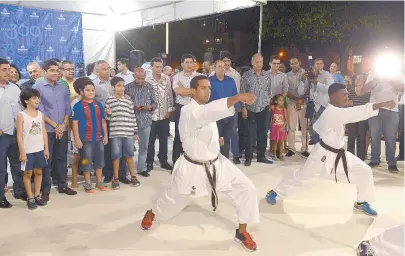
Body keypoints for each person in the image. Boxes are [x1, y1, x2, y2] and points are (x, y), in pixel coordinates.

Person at [140, 75, 260, 252]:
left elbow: (207, 122)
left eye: (209, 88)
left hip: (217, 163)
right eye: (203, 88)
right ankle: (153, 212)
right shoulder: (188, 110)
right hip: (192, 167)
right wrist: (236, 98)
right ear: (193, 91)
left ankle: (242, 231)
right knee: (174, 199)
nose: (208, 91)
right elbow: (206, 114)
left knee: (246, 188)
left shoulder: (203, 108)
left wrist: (214, 139)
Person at [266, 83, 396, 216]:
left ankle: (362, 201)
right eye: (344, 94)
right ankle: (275, 192)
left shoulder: (336, 110)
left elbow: (348, 113)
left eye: (347, 94)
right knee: (301, 177)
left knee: (364, 171)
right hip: (321, 155)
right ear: (333, 96)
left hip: (338, 153)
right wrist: (380, 104)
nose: (347, 96)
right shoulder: (332, 112)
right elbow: (354, 113)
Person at [34, 59, 77, 201]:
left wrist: (63, 124)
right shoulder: (38, 86)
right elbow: (40, 110)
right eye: (51, 70)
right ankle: (45, 188)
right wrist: (55, 125)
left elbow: (67, 108)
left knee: (61, 157)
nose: (55, 73)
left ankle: (62, 185)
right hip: (47, 129)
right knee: (48, 158)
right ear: (44, 72)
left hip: (62, 128)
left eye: (57, 70)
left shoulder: (63, 86)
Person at [72, 77, 109, 193]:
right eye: (87, 90)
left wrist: (106, 135)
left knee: (99, 161)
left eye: (92, 90)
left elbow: (103, 121)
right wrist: (77, 139)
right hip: (85, 140)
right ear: (81, 92)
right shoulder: (77, 106)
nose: (91, 92)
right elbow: (74, 124)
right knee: (85, 161)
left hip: (99, 138)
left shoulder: (98, 104)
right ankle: (87, 183)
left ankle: (99, 182)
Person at [105, 76, 141, 189]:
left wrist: (135, 132)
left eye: (123, 86)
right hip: (115, 134)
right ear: (113, 87)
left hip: (128, 133)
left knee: (129, 155)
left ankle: (133, 176)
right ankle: (115, 178)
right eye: (118, 86)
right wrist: (109, 114)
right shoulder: (109, 100)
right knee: (116, 157)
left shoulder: (128, 100)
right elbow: (107, 118)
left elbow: (132, 116)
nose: (122, 88)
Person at [16, 88, 49, 209]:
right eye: (34, 98)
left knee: (39, 171)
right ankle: (30, 196)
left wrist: (46, 149)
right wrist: (22, 152)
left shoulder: (40, 114)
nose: (37, 100)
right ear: (26, 100)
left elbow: (43, 132)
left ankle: (37, 195)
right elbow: (19, 135)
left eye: (38, 97)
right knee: (28, 173)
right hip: (27, 150)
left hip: (39, 149)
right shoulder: (21, 115)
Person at [0, 58, 26, 208]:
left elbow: (21, 109)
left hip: (16, 133)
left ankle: (19, 190)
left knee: (17, 164)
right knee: (1, 167)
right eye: (4, 69)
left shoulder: (15, 88)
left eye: (9, 69)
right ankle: (1, 196)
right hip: (2, 134)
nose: (8, 72)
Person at [240, 53, 273, 166]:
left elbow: (269, 92)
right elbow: (242, 93)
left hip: (263, 108)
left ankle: (261, 156)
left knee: (263, 133)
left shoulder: (267, 76)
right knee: (249, 133)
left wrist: (267, 104)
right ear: (252, 62)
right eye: (256, 62)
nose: (259, 64)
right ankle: (248, 157)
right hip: (250, 108)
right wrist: (243, 107)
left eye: (261, 62)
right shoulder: (246, 75)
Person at [125, 68, 157, 177]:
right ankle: (126, 169)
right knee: (128, 147)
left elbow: (154, 103)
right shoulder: (127, 87)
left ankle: (141, 168)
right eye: (138, 78)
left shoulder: (149, 87)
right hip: (130, 122)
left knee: (144, 146)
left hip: (145, 120)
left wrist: (149, 107)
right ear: (134, 76)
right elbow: (123, 101)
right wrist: (133, 107)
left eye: (143, 78)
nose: (141, 80)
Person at [146, 58, 174, 172]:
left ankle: (163, 160)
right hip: (151, 115)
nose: (159, 69)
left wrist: (169, 110)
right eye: (156, 66)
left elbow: (169, 95)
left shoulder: (166, 78)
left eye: (160, 66)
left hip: (164, 115)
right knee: (150, 140)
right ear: (151, 67)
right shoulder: (147, 80)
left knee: (164, 139)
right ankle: (149, 162)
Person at [285, 57, 310, 157]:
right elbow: (286, 90)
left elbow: (309, 89)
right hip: (292, 103)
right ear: (290, 65)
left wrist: (302, 100)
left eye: (296, 63)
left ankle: (304, 148)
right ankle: (291, 148)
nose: (294, 65)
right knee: (291, 127)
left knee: (304, 128)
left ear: (299, 63)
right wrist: (296, 100)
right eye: (292, 64)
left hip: (304, 103)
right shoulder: (287, 76)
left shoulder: (305, 74)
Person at [347, 74, 371, 161]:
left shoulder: (367, 92)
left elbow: (369, 104)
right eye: (356, 78)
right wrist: (348, 102)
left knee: (361, 138)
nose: (357, 80)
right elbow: (346, 100)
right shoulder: (350, 90)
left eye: (360, 79)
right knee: (351, 137)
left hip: (362, 118)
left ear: (364, 81)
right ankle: (349, 157)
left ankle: (360, 158)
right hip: (352, 117)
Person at [270, 94, 288, 161]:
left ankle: (280, 154)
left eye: (282, 100)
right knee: (274, 141)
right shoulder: (273, 107)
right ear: (276, 101)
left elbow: (286, 119)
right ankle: (274, 153)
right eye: (279, 100)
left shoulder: (284, 109)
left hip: (281, 128)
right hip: (274, 128)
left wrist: (283, 127)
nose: (281, 102)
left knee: (281, 141)